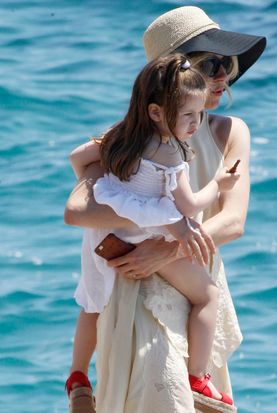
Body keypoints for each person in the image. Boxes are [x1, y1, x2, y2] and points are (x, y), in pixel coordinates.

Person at [64, 6, 266, 413]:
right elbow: (79, 210)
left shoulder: (231, 131)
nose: (223, 75)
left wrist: (168, 245)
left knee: (193, 394)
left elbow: (234, 221)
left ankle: (78, 378)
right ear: (176, 73)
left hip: (191, 276)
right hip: (136, 289)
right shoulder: (128, 139)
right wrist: (162, 221)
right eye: (210, 63)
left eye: (226, 63)